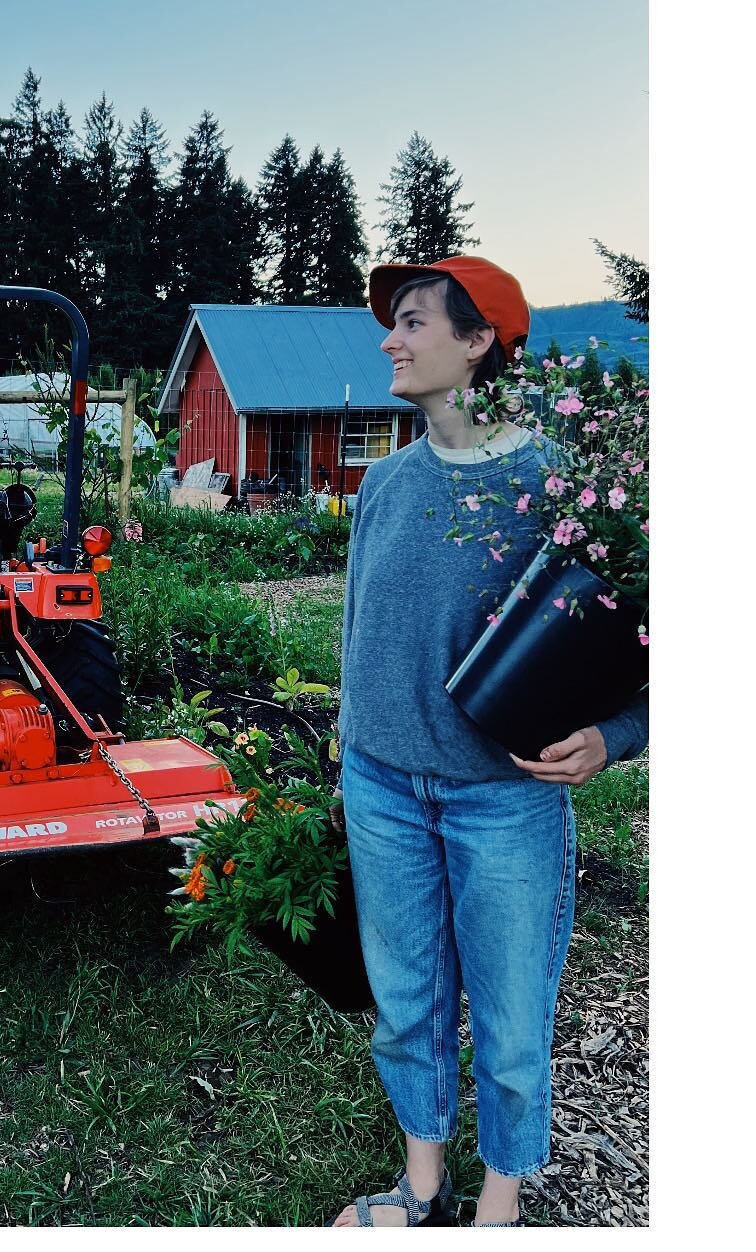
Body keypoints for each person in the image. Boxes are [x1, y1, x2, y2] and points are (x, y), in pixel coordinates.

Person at [328, 256, 648, 1228]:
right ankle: (422, 1187)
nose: (390, 339)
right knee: (407, 1003)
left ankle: (497, 1210)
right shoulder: (383, 484)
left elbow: (658, 637)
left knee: (509, 1026)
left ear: (478, 343)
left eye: (413, 321)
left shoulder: (560, 484)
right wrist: (348, 759)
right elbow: (355, 633)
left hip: (501, 801)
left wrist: (620, 733)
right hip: (383, 792)